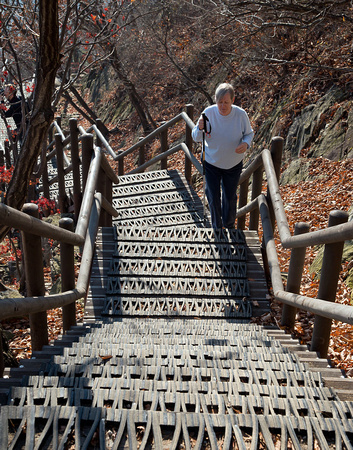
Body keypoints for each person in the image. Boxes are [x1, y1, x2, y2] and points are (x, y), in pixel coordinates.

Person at [192, 83, 254, 230]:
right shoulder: (208, 113)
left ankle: (229, 225)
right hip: (211, 162)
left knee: (230, 197)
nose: (222, 106)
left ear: (232, 100)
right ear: (215, 100)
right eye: (220, 102)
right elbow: (196, 137)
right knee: (213, 197)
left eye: (226, 102)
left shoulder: (240, 115)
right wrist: (199, 127)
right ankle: (217, 228)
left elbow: (249, 133)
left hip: (233, 163)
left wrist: (246, 144)